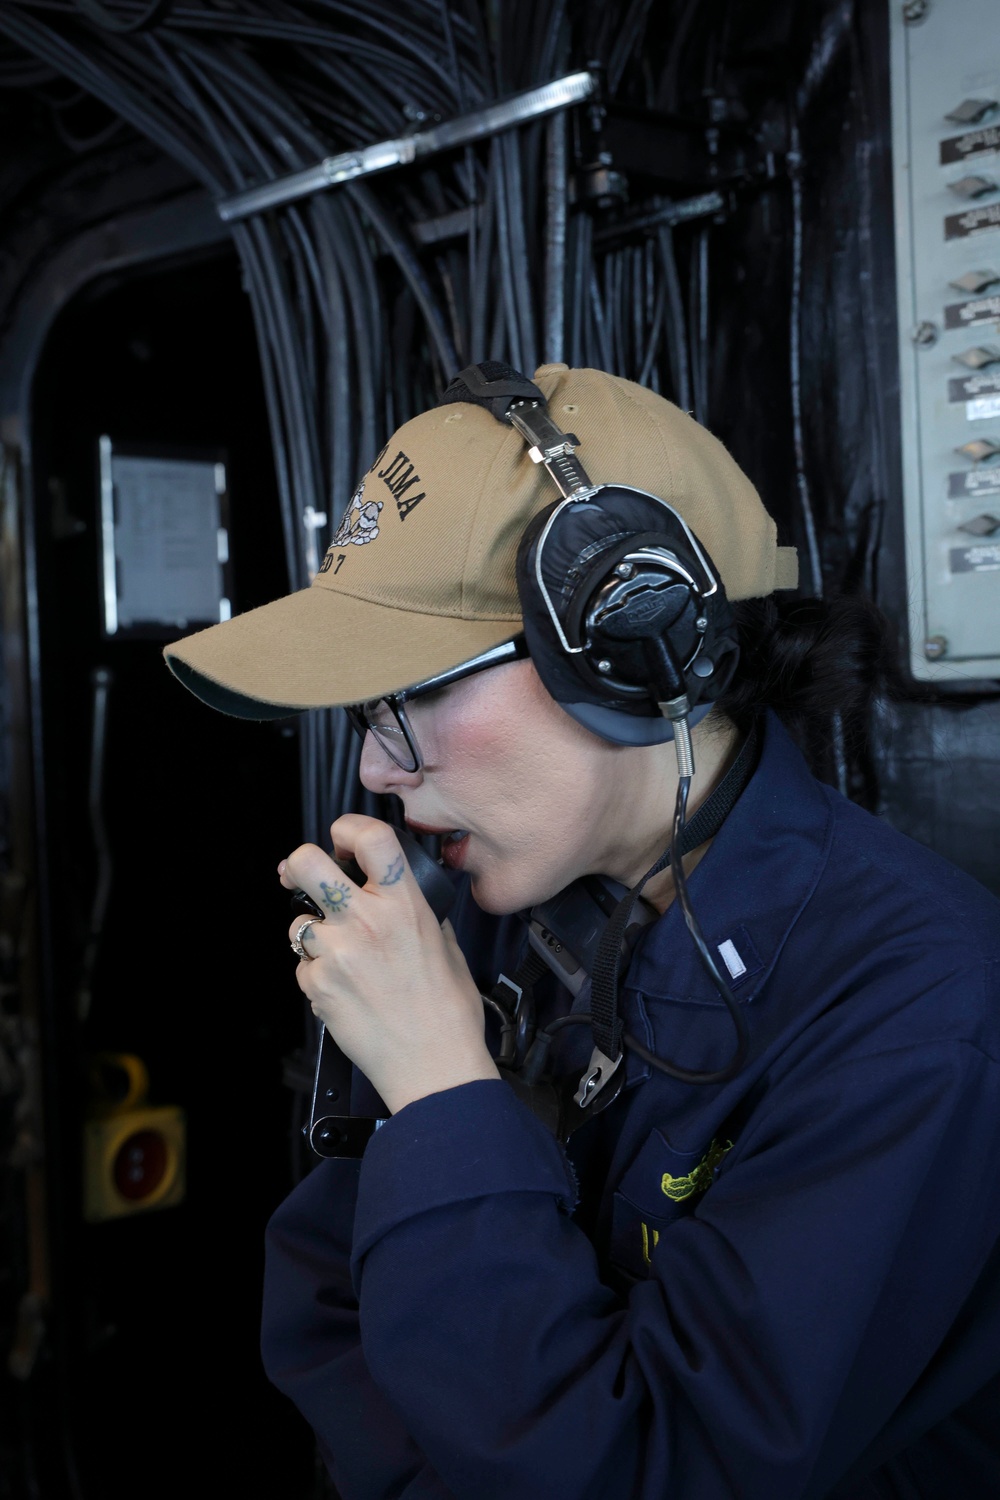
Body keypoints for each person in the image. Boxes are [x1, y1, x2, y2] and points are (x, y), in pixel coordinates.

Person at [165, 363, 1000, 1500]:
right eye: (366, 715)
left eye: (410, 694)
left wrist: (450, 1100)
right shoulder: (492, 918)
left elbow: (652, 1466)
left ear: (635, 645)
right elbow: (322, 1307)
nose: (374, 767)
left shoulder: (919, 1012)